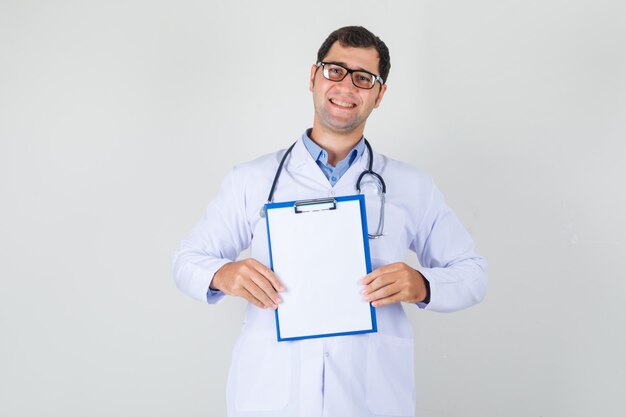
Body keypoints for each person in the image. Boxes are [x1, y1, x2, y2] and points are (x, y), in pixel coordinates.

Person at [173, 26, 487, 417]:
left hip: (370, 397)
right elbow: (187, 260)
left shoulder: (410, 186)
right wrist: (224, 274)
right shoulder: (250, 180)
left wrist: (423, 284)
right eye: (334, 70)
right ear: (313, 77)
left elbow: (473, 274)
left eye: (363, 78)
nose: (346, 86)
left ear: (379, 94)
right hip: (272, 395)